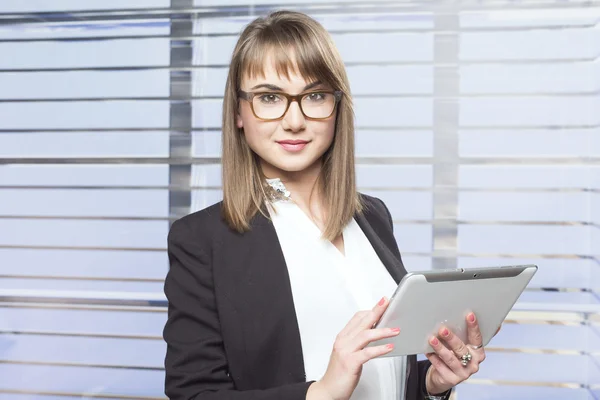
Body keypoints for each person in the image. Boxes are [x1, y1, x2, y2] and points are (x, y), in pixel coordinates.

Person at [163, 10, 488, 400]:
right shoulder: (201, 240)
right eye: (269, 98)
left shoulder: (373, 216)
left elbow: (384, 375)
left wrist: (433, 384)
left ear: (337, 107)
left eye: (315, 96)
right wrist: (321, 393)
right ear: (238, 112)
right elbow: (194, 395)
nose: (294, 120)